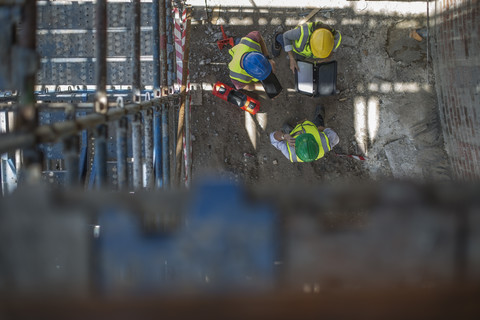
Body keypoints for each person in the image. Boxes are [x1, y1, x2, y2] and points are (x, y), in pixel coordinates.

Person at [270, 106, 339, 162]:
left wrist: (284, 136)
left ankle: (290, 130)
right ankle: (319, 116)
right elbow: (334, 135)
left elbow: (272, 138)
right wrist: (321, 129)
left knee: (287, 129)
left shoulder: (290, 153)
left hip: (293, 133)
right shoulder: (326, 142)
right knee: (318, 121)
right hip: (313, 126)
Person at [272, 22, 341, 74]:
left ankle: (298, 57)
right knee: (284, 43)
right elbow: (286, 36)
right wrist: (291, 58)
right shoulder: (302, 33)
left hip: (303, 52)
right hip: (294, 46)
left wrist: (328, 58)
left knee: (300, 58)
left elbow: (336, 45)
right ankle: (277, 36)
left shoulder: (334, 36)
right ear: (310, 41)